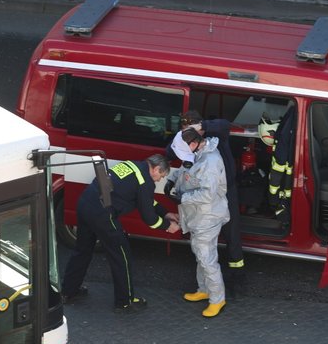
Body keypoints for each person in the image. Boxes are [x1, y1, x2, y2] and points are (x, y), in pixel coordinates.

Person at [61, 153, 180, 313]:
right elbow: (150, 219)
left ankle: (69, 291)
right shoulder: (145, 181)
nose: (159, 180)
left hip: (85, 204)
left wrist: (165, 213)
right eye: (161, 176)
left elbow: (145, 200)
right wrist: (167, 226)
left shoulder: (132, 165)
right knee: (121, 255)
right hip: (103, 213)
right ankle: (125, 302)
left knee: (82, 250)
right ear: (156, 168)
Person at [166, 128, 230, 318]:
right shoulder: (199, 153)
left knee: (206, 258)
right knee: (200, 253)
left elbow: (208, 194)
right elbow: (186, 169)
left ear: (194, 144)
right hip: (199, 215)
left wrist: (182, 198)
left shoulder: (210, 162)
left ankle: (217, 299)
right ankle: (204, 289)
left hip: (207, 216)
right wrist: (172, 180)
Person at [175, 110, 245, 271]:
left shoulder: (217, 136)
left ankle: (236, 272)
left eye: (190, 130)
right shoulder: (185, 141)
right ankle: (209, 270)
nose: (187, 136)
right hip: (203, 192)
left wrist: (202, 125)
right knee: (204, 233)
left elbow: (225, 125)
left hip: (226, 190)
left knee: (231, 231)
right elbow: (172, 151)